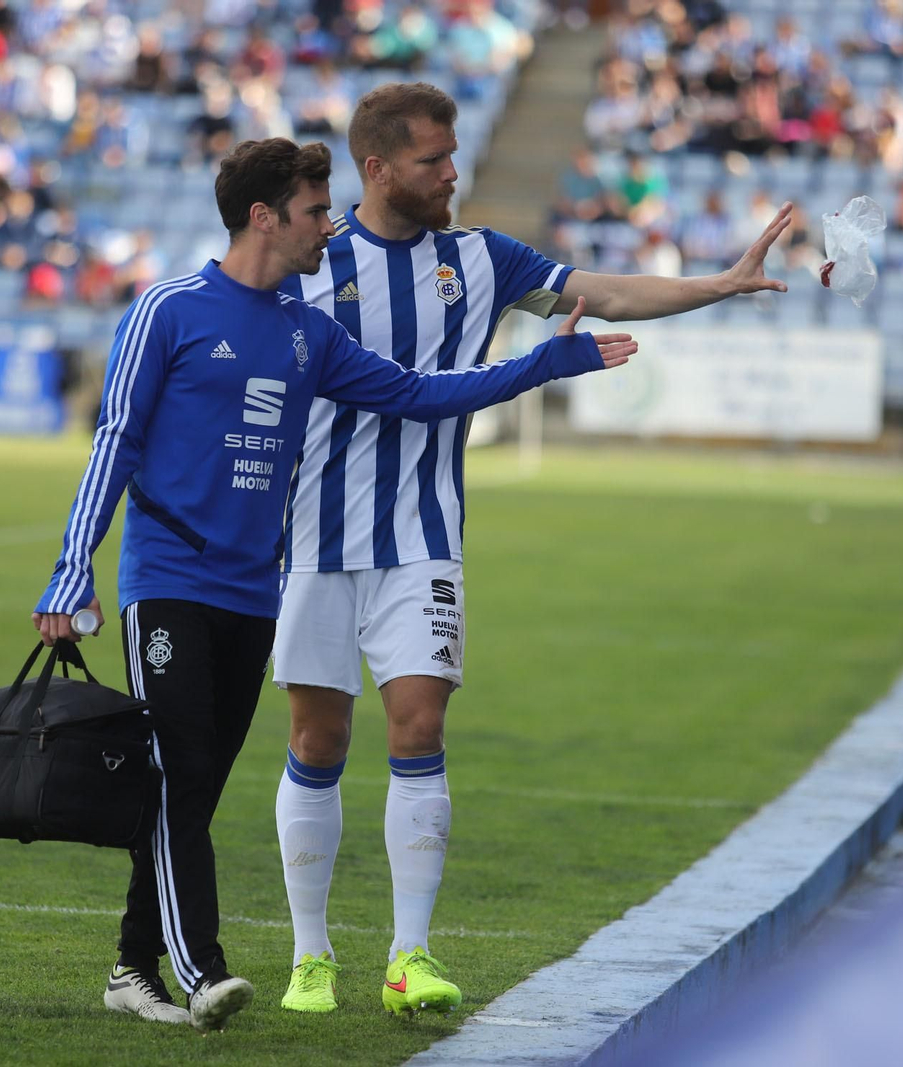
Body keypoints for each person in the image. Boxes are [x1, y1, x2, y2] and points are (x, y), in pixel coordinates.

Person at [29, 136, 634, 1033]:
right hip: (165, 579)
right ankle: (201, 971)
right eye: (316, 210)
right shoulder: (168, 309)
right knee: (176, 769)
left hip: (253, 589)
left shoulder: (312, 333)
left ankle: (130, 963)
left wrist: (542, 366)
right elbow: (114, 437)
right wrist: (71, 568)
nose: (330, 223)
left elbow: (420, 394)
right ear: (266, 216)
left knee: (191, 784)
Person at [268, 81, 791, 1018]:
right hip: (314, 538)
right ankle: (311, 956)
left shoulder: (481, 258)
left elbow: (604, 289)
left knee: (419, 728)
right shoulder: (310, 260)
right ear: (379, 169)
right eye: (433, 159)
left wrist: (720, 282)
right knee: (319, 738)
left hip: (423, 534)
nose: (453, 171)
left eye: (454, 152)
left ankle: (409, 955)